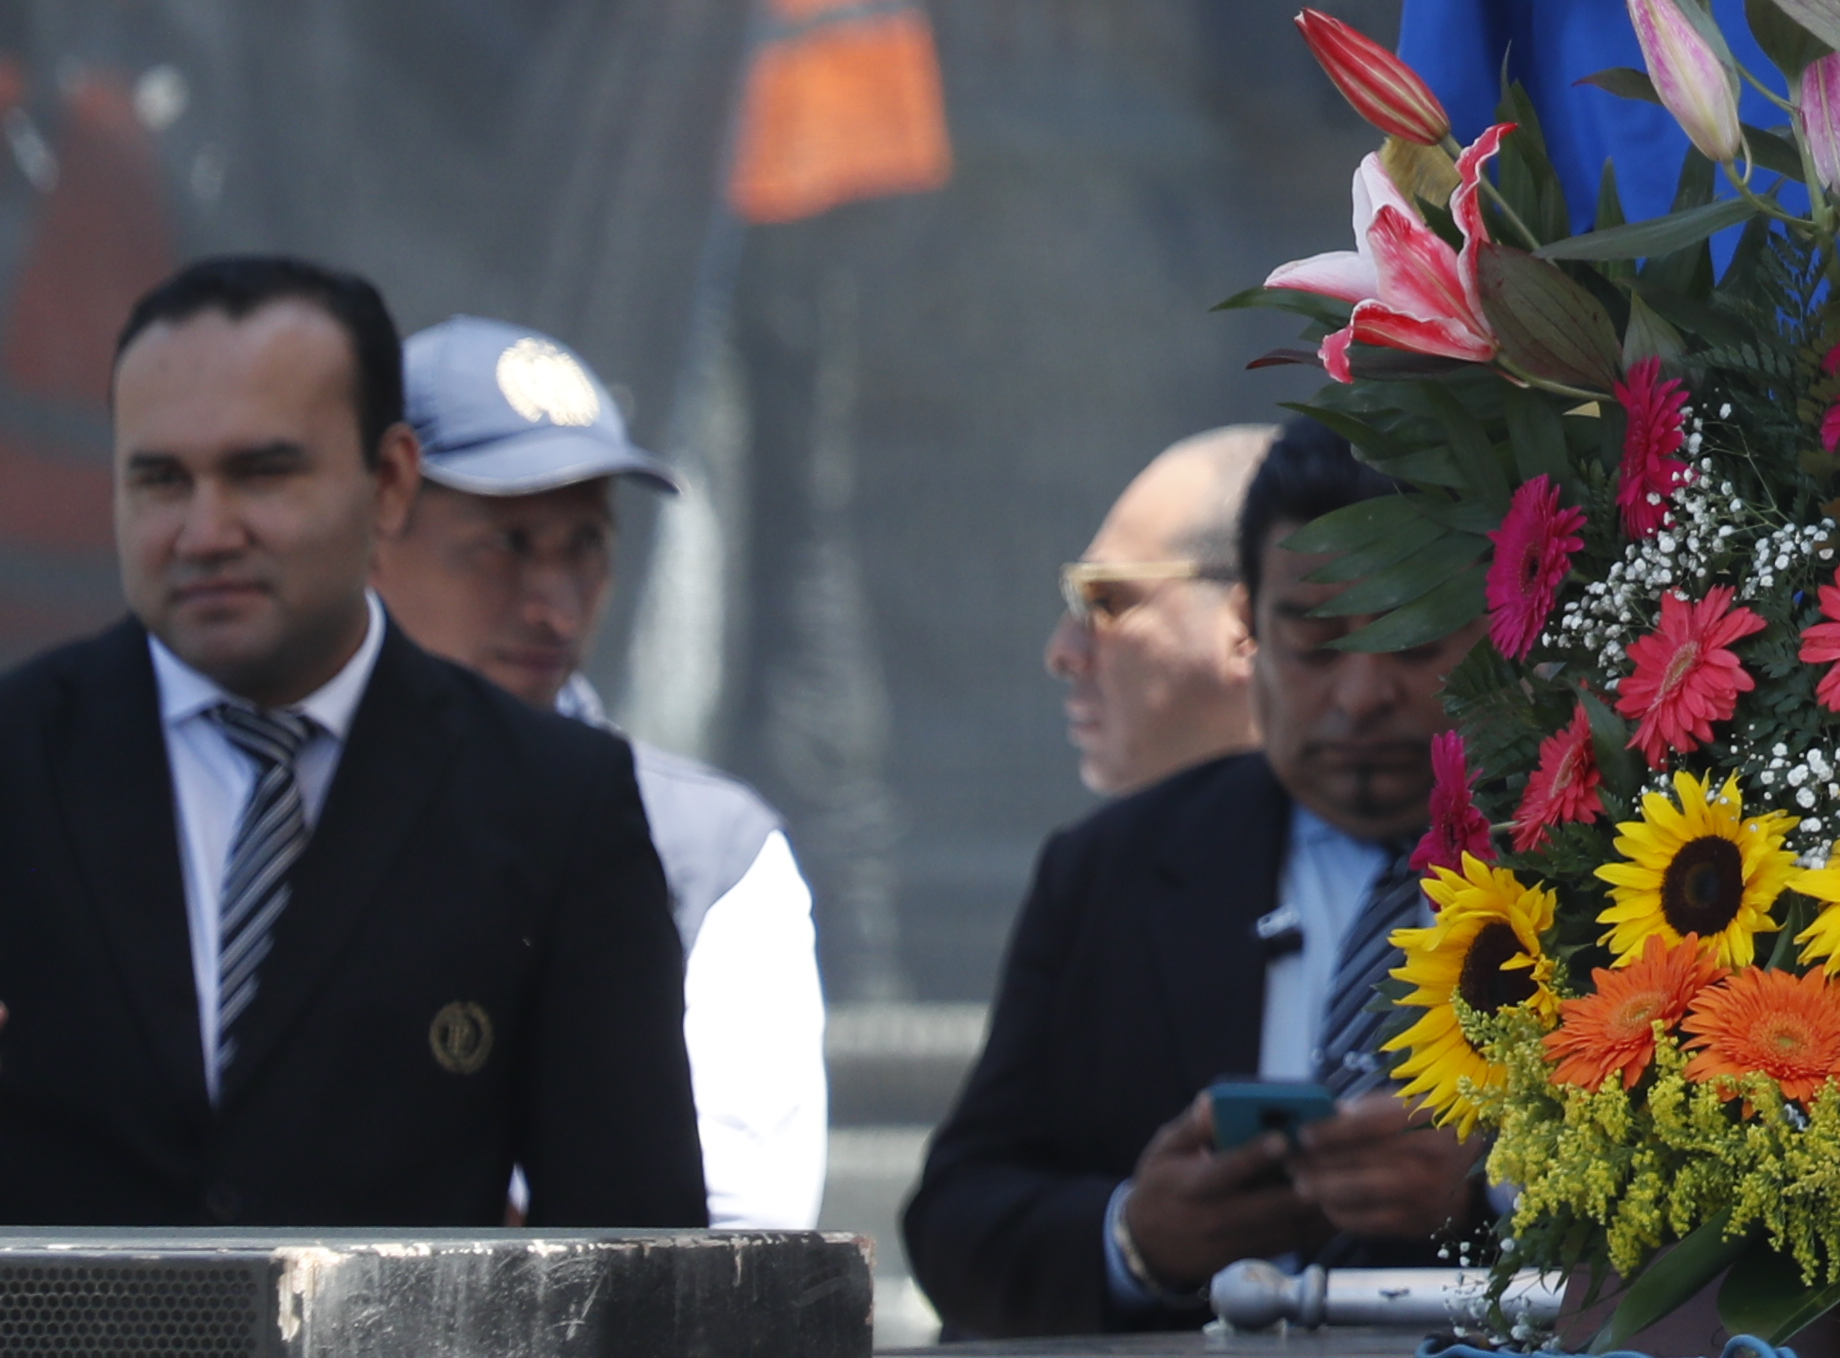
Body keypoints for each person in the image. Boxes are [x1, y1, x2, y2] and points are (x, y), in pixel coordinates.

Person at [0, 254, 703, 1223]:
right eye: (161, 480)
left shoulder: (552, 805)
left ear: (389, 484)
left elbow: (642, 1255)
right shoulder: (19, 767)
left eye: (262, 472)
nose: (206, 530)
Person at [907, 418, 1480, 1335]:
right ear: (1248, 629)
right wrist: (1136, 1239)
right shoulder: (1107, 874)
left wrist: (1496, 1195)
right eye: (1317, 642)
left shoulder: (1624, 877)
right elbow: (955, 1222)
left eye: (1414, 640)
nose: (1363, 693)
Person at [375, 310, 829, 1226]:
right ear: (375, 527)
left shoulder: (711, 849)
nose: (555, 606)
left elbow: (734, 1248)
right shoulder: (255, 797)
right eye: (504, 543)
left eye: (586, 544)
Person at [1048, 421, 1268, 795]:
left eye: (1103, 599)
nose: (1060, 653)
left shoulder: (1385, 850)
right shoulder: (1087, 853)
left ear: (1250, 626)